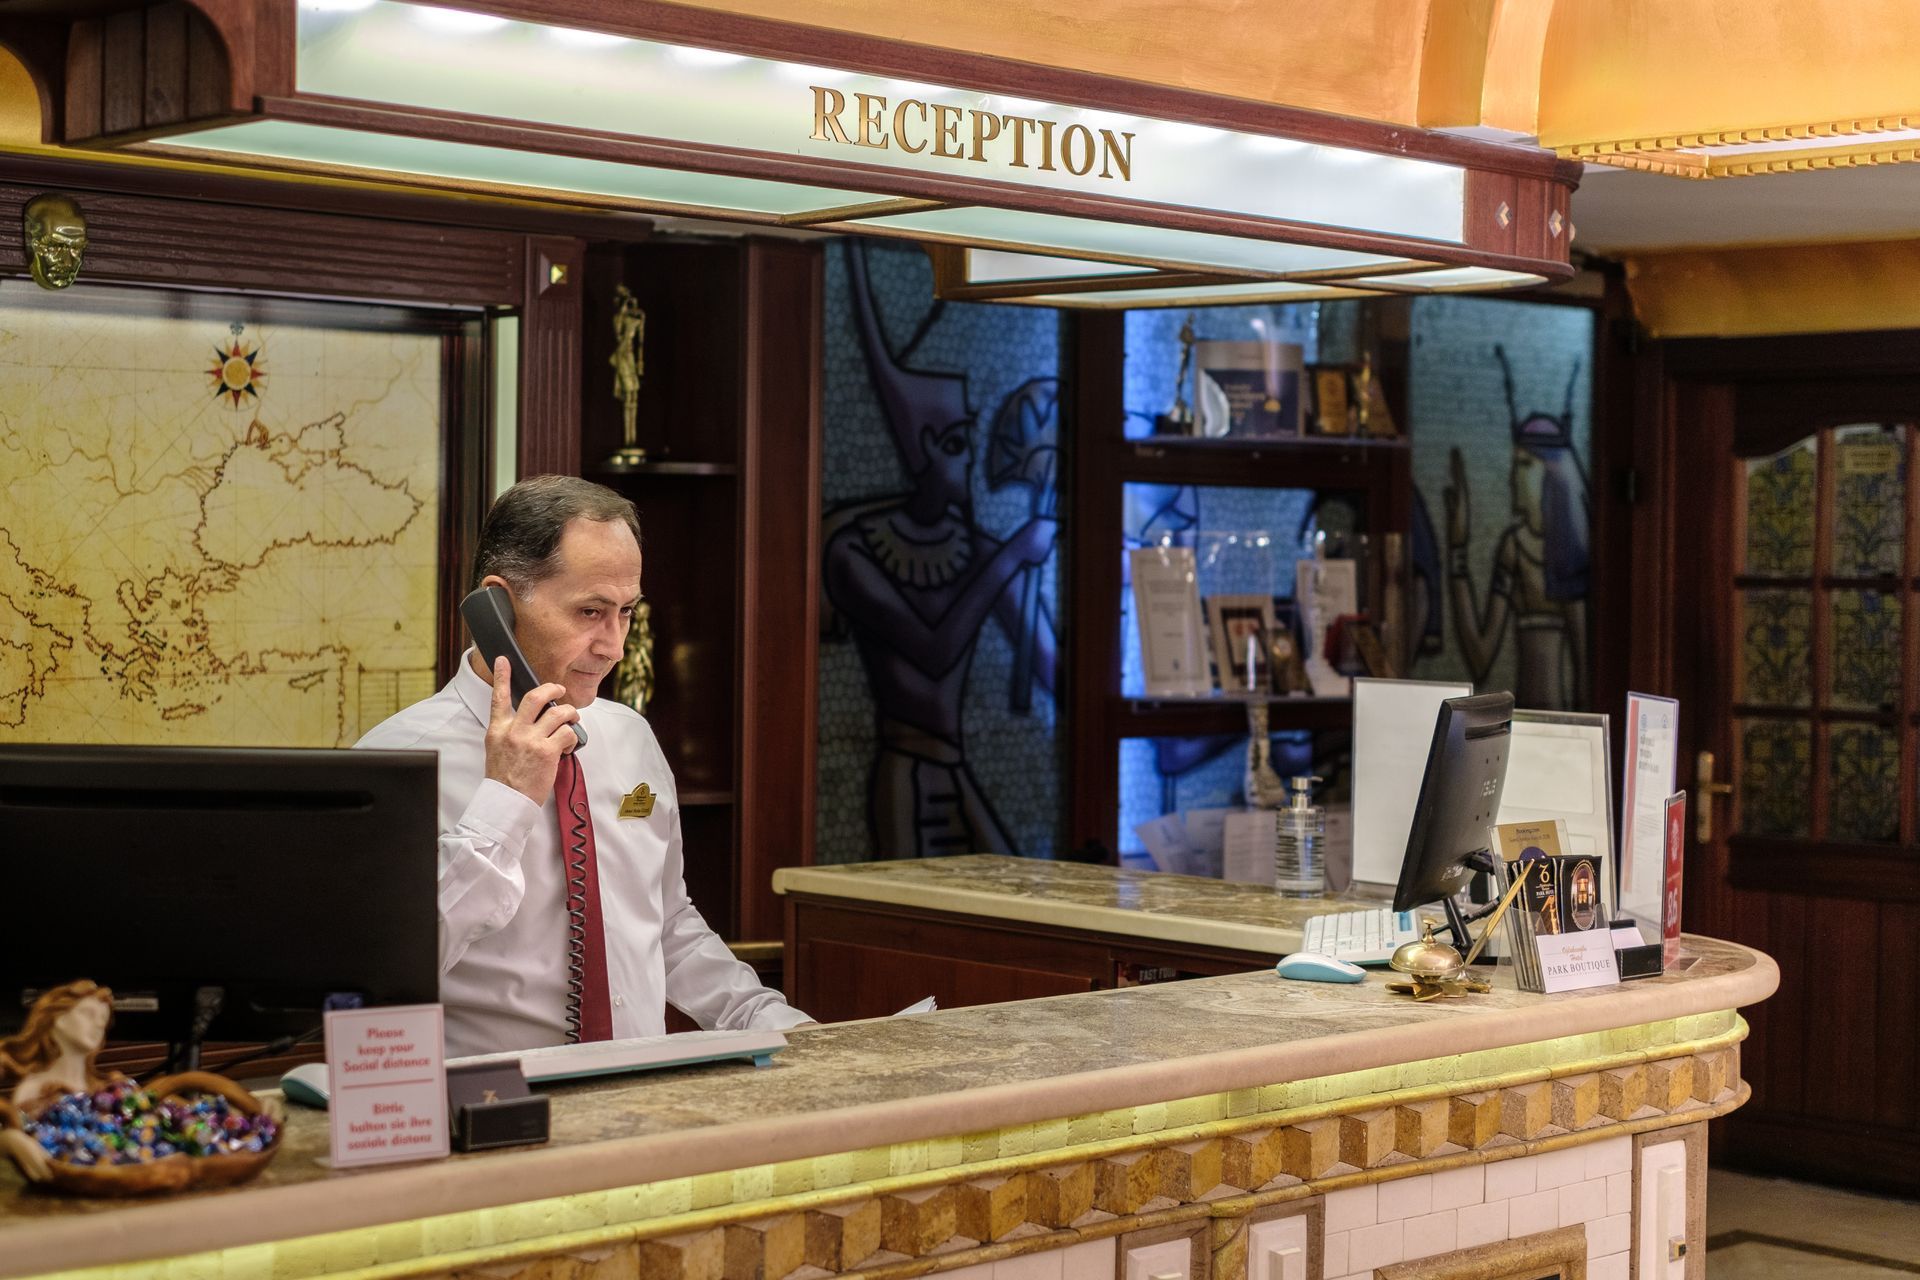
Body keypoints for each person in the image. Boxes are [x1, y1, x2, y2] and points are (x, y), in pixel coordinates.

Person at [357, 475, 810, 1056]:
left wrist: (769, 1019)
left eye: (626, 612)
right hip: (492, 1116)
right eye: (591, 611)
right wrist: (505, 801)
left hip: (643, 1104)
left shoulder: (630, 738)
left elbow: (666, 923)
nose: (615, 646)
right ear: (498, 604)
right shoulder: (399, 758)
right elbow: (385, 966)